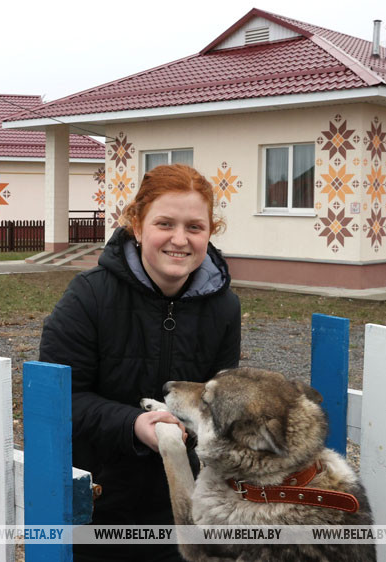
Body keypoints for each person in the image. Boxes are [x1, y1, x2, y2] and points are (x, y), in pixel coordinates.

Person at [38, 163, 241, 561]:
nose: (179, 240)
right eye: (165, 223)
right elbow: (61, 400)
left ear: (209, 232)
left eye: (195, 227)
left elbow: (217, 403)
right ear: (136, 225)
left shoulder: (224, 308)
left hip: (181, 507)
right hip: (96, 504)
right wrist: (133, 424)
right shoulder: (89, 297)